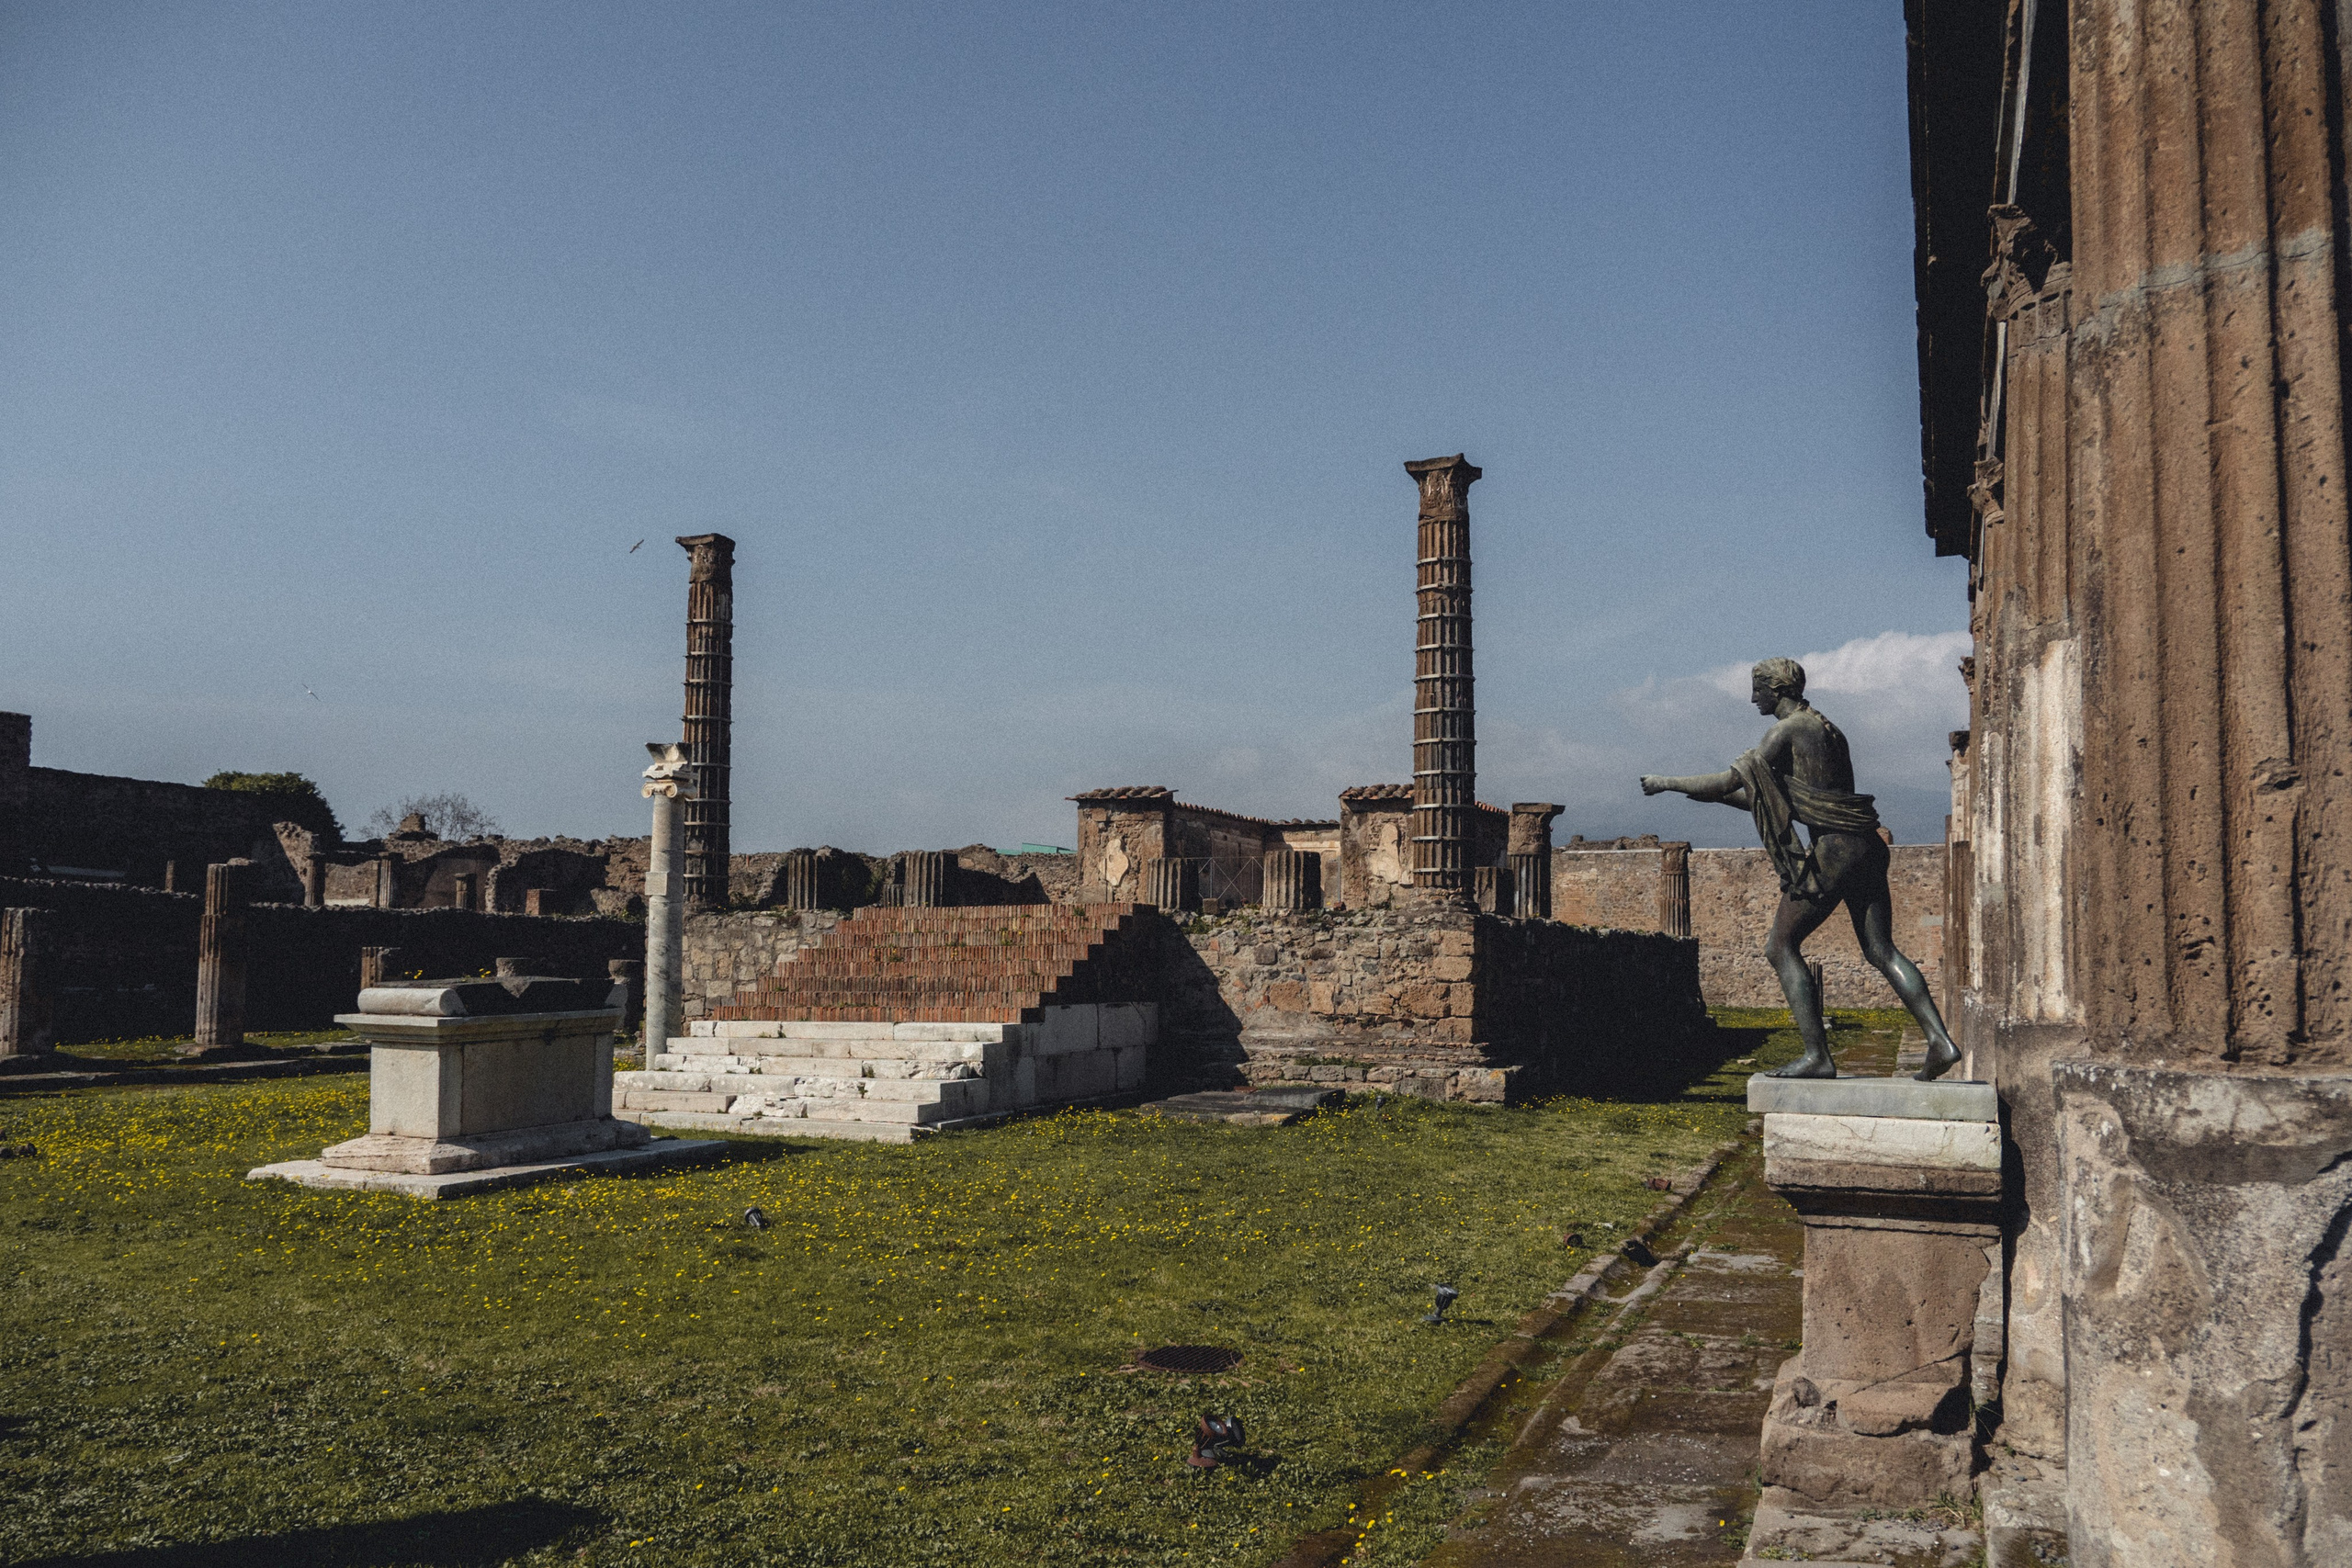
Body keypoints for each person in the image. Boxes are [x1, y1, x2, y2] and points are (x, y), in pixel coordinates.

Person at [1640, 656, 1960, 1081]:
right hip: (1866, 845)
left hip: (1835, 850)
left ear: (1778, 689)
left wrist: (1667, 782)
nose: (1754, 698)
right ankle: (1939, 1040)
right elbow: (1779, 800)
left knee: (1780, 946)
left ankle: (1817, 1057)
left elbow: (1726, 782)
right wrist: (1714, 795)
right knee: (1880, 950)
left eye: (1758, 689)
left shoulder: (1786, 730)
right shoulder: (1827, 729)